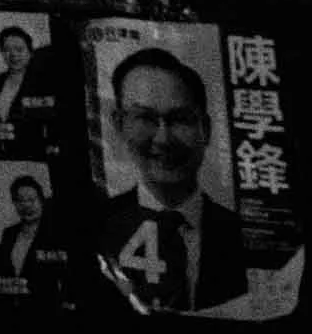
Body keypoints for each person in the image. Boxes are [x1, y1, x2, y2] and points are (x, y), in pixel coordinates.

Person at [96, 43, 247, 311]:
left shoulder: (242, 232)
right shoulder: (93, 227)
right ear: (119, 125)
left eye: (180, 119)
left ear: (206, 130)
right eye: (144, 118)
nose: (163, 139)